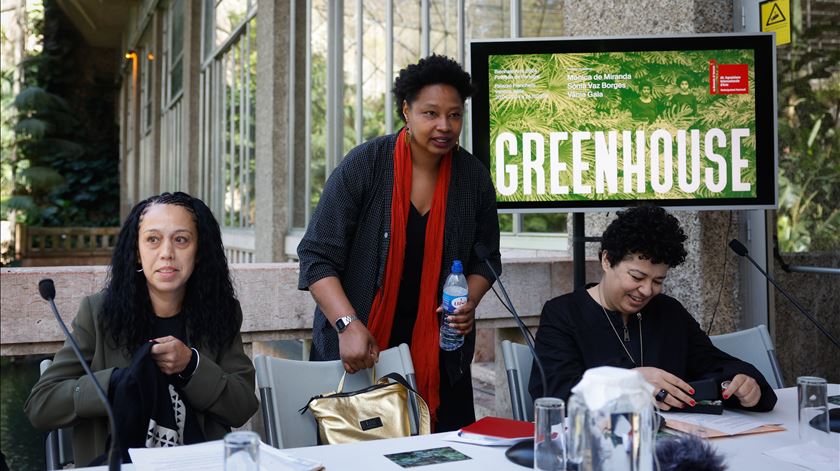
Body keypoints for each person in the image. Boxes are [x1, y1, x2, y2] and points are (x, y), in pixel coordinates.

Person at [297, 54, 501, 432]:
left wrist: (467, 301)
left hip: (441, 359)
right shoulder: (366, 165)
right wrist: (347, 324)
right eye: (431, 113)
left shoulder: (472, 177)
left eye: (455, 115)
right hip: (359, 353)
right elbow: (316, 256)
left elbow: (486, 260)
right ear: (406, 110)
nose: (444, 126)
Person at [25, 192, 259, 466]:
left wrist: (191, 365)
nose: (167, 253)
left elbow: (242, 406)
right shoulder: (98, 314)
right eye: (153, 239)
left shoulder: (222, 312)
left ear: (199, 253)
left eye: (181, 239)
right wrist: (113, 384)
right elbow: (40, 405)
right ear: (137, 252)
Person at [528, 206, 777, 412]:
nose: (647, 290)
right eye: (637, 277)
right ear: (606, 260)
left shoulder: (669, 313)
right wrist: (629, 381)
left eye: (658, 281)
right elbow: (556, 397)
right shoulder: (563, 314)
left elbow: (715, 365)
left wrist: (746, 385)